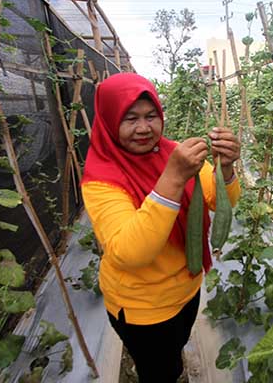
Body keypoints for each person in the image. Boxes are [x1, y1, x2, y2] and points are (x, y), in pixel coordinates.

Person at [81, 73, 241, 382]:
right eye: (130, 119)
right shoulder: (101, 177)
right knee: (158, 372)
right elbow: (130, 252)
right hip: (144, 309)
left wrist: (225, 168)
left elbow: (219, 202)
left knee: (174, 352)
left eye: (151, 116)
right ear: (109, 120)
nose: (143, 128)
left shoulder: (173, 151)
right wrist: (174, 178)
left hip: (188, 288)